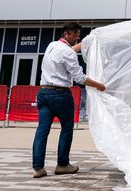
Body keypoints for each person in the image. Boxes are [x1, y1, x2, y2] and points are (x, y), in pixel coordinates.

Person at [32, 22, 106, 178]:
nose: (77, 37)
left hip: (43, 92)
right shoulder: (68, 52)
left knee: (42, 130)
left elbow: (67, 53)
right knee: (66, 129)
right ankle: (62, 165)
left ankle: (38, 168)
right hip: (60, 95)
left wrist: (82, 44)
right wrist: (99, 85)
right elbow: (79, 77)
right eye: (75, 34)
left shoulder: (51, 46)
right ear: (66, 34)